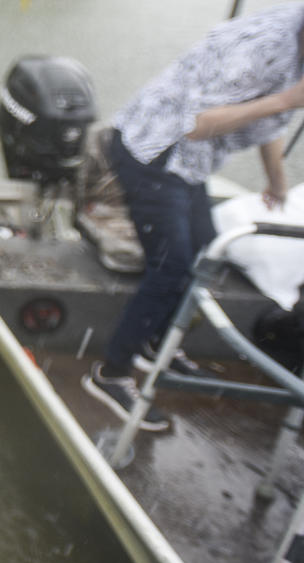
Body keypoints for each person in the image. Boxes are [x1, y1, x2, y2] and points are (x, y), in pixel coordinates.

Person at [82, 2, 304, 432]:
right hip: (157, 148)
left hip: (193, 163)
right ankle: (111, 373)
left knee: (205, 252)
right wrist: (287, 99)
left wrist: (277, 182)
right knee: (172, 266)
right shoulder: (262, 45)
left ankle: (158, 343)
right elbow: (197, 124)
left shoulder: (294, 46)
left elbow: (270, 123)